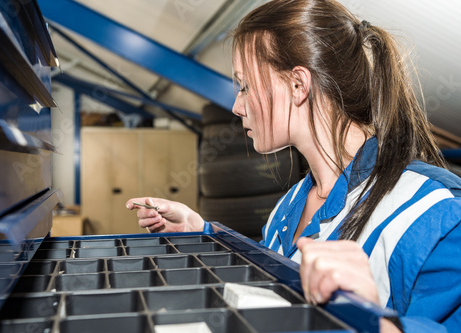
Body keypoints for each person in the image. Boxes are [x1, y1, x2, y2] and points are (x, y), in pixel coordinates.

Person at [127, 0, 461, 331]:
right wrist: (200, 232)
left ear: (298, 85)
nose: (236, 106)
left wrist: (372, 322)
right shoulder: (290, 205)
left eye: (245, 86)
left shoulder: (435, 212)